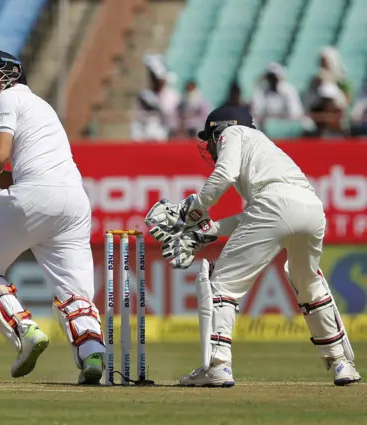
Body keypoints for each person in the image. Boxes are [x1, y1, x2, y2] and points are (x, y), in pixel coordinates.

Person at [144, 106, 361, 387]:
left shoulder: (234, 133)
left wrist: (194, 210)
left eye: (210, 137)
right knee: (307, 282)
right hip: (311, 209)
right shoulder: (265, 153)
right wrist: (205, 233)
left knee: (222, 285)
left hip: (276, 206)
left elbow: (226, 177)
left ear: (219, 130)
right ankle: (341, 363)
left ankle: (219, 365)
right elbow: (258, 215)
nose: (209, 146)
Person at [0, 51, 104, 384]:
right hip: (73, 202)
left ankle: (26, 331)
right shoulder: (42, 107)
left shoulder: (9, 98)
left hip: (35, 199)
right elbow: (14, 175)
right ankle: (92, 356)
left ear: (11, 72)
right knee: (76, 293)